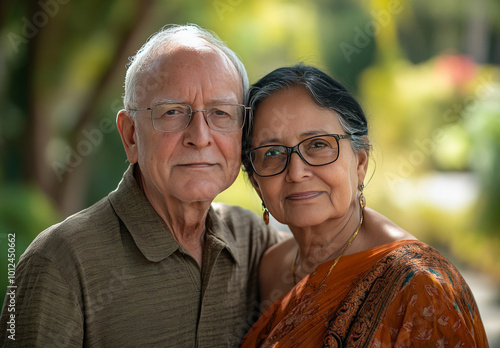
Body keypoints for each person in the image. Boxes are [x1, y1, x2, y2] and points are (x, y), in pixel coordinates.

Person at [0, 24, 281, 347]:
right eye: (173, 112)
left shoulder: (251, 238)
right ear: (131, 135)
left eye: (221, 113)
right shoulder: (60, 262)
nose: (200, 137)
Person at [240, 64, 489, 347]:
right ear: (255, 179)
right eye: (272, 152)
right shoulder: (271, 268)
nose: (296, 172)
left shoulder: (419, 287)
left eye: (318, 144)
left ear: (360, 161)